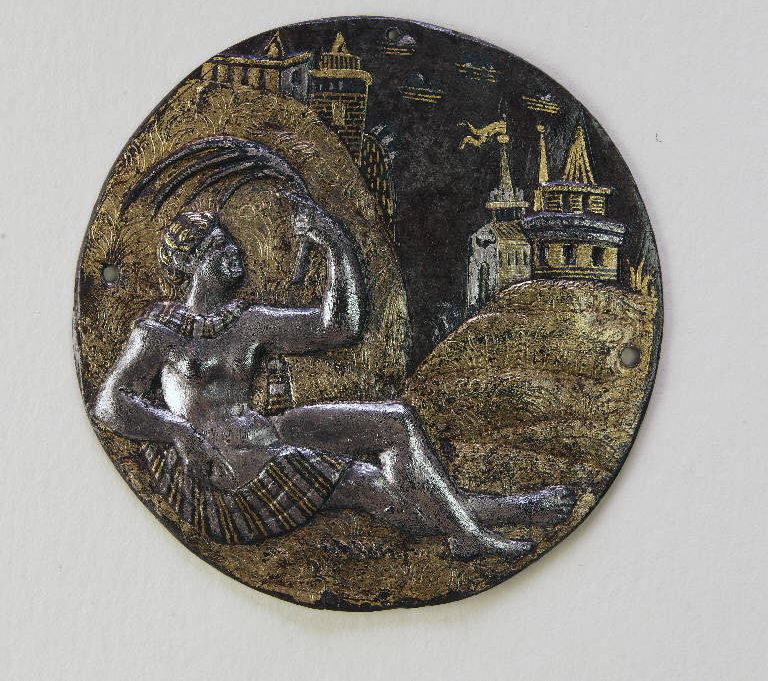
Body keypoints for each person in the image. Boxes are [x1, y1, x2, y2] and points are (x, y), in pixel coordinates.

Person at [93, 208, 574, 558]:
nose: (235, 251)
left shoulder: (250, 321)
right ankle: (503, 515)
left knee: (396, 420)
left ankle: (485, 523)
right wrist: (178, 432)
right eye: (220, 246)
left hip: (266, 435)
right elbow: (109, 402)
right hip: (229, 475)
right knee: (374, 487)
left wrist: (335, 245)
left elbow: (339, 326)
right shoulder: (159, 332)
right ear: (192, 261)